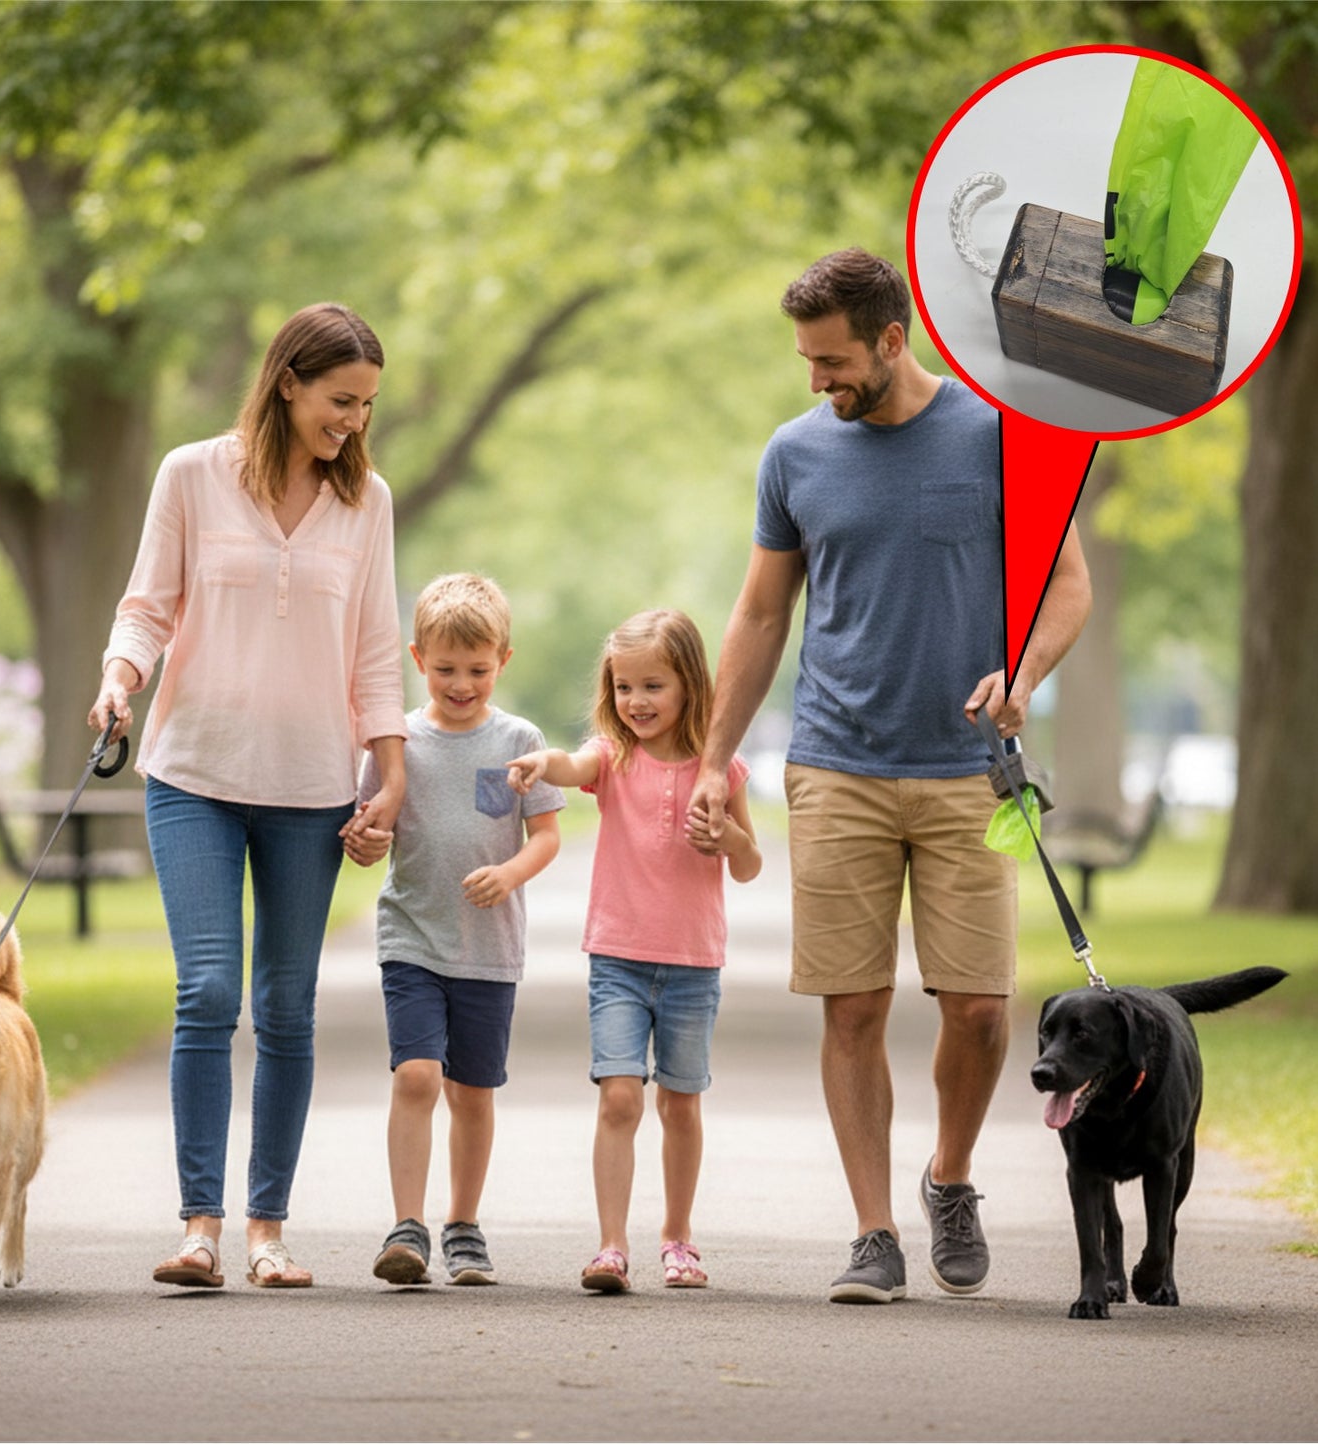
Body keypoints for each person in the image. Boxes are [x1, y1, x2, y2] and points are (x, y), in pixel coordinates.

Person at [689, 249, 1091, 1305]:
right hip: (835, 761)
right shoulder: (793, 455)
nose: (815, 381)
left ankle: (947, 1176)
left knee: (976, 1007)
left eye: (830, 362)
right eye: (806, 362)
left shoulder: (999, 432)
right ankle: (872, 1229)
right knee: (851, 1006)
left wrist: (1024, 670)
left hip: (971, 767)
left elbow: (1067, 585)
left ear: (890, 340)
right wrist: (710, 758)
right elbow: (761, 613)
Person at [89, 302, 408, 1291]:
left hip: (312, 786)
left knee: (285, 1004)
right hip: (195, 772)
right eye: (338, 399)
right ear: (286, 382)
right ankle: (199, 1226)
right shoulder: (192, 473)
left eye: (363, 405)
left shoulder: (368, 503)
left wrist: (387, 773)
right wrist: (119, 678)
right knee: (208, 991)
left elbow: (375, 652)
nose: (352, 420)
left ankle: (267, 1229)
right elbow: (148, 603)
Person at [508, 609, 761, 1293]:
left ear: (689, 683)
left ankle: (677, 1237)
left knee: (680, 1102)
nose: (636, 701)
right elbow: (573, 762)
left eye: (653, 685)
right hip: (616, 958)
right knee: (619, 1097)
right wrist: (542, 764)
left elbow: (748, 865)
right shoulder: (614, 756)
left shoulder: (722, 766)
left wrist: (728, 841)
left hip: (691, 963)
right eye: (623, 687)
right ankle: (610, 1245)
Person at [356, 573, 563, 1288]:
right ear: (419, 660)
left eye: (476, 669)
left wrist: (510, 873)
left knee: (472, 1091)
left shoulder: (519, 740)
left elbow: (545, 836)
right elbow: (370, 821)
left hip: (489, 948)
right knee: (416, 1075)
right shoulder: (397, 742)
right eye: (445, 668)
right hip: (411, 935)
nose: (460, 682)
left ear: (502, 660)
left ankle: (463, 1224)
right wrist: (363, 840)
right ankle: (405, 1225)